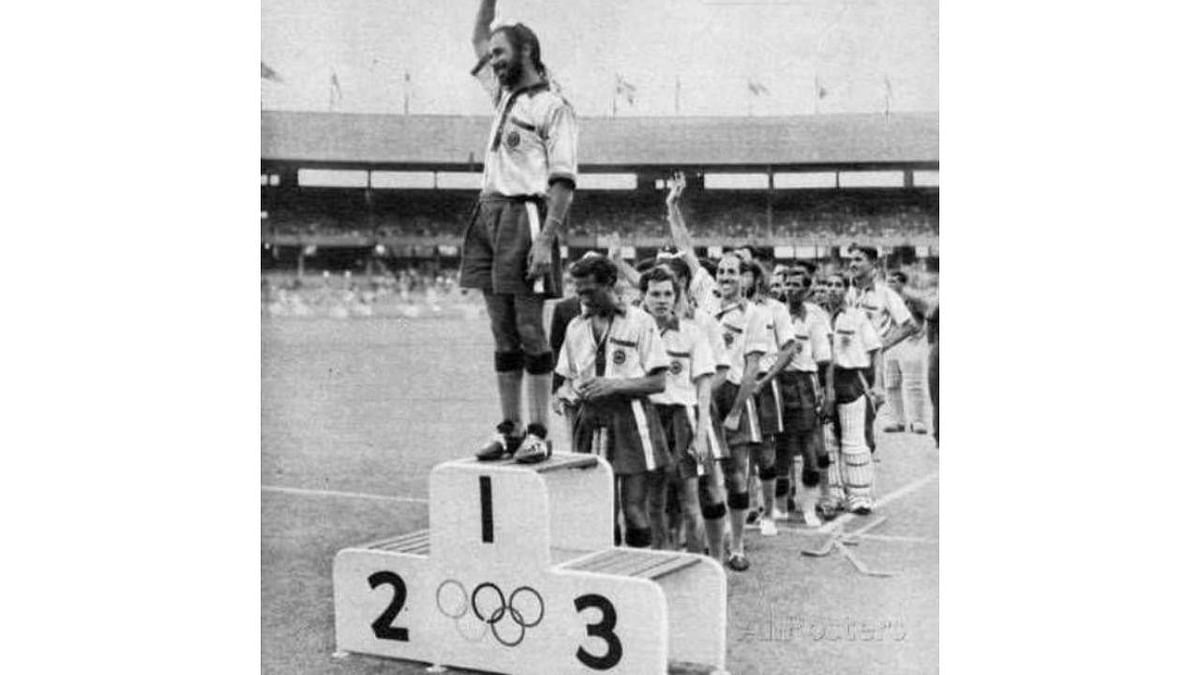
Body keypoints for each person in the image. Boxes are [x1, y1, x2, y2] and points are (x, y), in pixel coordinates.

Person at [467, 0, 579, 463]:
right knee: (501, 331)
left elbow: (563, 181)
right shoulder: (503, 96)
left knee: (530, 328)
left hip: (525, 215)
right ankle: (510, 429)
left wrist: (545, 239)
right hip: (486, 214)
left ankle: (538, 431)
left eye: (500, 53)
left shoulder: (553, 106)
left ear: (527, 50)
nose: (493, 59)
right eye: (492, 55)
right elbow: (477, 36)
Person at [554, 256, 671, 549]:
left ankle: (639, 574)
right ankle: (608, 577)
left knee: (633, 508)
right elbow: (566, 377)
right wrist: (565, 393)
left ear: (610, 284)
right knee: (600, 509)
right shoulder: (575, 328)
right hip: (590, 421)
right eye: (579, 292)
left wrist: (614, 385)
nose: (583, 298)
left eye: (589, 291)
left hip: (631, 420)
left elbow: (658, 382)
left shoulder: (639, 321)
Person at [640, 267, 727, 560]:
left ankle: (697, 566)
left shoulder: (691, 333)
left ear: (676, 297)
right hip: (650, 418)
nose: (661, 300)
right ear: (644, 296)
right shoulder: (638, 331)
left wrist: (701, 435)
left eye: (667, 294)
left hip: (683, 419)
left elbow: (704, 388)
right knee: (655, 500)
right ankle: (660, 560)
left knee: (690, 500)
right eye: (655, 294)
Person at [712, 253, 773, 570]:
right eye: (721, 271)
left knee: (737, 474)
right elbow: (687, 250)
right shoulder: (707, 304)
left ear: (744, 277)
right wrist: (672, 207)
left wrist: (736, 410)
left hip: (735, 394)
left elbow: (751, 368)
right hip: (706, 393)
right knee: (706, 474)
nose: (725, 277)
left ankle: (736, 546)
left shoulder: (754, 315)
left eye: (732, 272)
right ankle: (710, 547)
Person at [767, 267, 832, 526]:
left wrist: (828, 393)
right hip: (780, 381)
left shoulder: (815, 318)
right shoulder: (774, 313)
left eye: (796, 285)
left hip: (804, 383)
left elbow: (824, 361)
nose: (790, 289)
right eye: (787, 284)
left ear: (806, 290)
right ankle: (781, 506)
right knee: (781, 446)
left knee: (809, 446)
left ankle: (809, 507)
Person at [844, 244, 916, 447]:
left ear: (873, 263)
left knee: (867, 416)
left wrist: (882, 345)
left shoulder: (885, 294)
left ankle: (866, 459)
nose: (852, 264)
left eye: (858, 260)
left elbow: (909, 325)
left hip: (869, 364)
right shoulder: (842, 291)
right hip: (843, 361)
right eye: (851, 260)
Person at [823, 273, 883, 515]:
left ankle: (860, 495)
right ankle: (835, 494)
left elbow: (876, 349)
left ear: (845, 289)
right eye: (829, 284)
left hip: (851, 379)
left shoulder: (857, 317)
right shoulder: (818, 316)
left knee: (854, 440)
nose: (833, 289)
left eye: (838, 285)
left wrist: (877, 384)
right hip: (825, 379)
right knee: (828, 441)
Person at [884, 271, 933, 434]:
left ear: (902, 284)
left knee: (914, 383)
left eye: (893, 281)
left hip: (911, 342)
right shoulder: (884, 298)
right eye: (888, 281)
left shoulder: (912, 299)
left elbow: (929, 314)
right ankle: (896, 420)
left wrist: (922, 333)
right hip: (891, 342)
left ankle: (917, 420)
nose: (889, 284)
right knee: (891, 383)